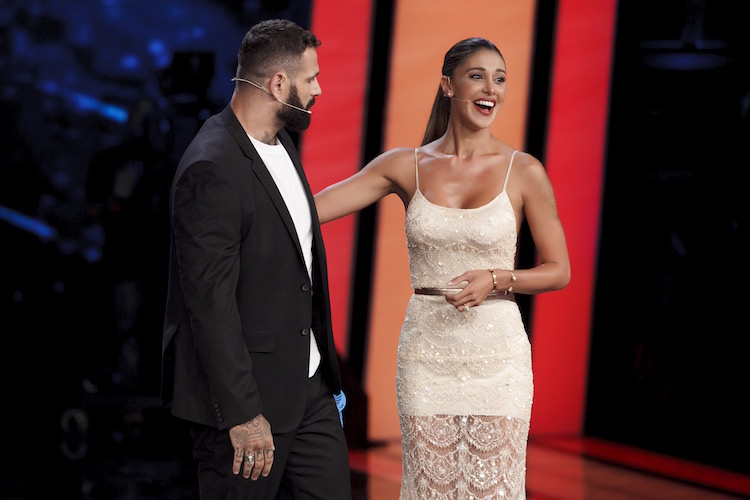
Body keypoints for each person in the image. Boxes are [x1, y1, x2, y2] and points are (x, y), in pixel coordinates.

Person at [314, 37, 570, 499]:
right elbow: (310, 209)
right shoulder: (405, 165)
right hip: (426, 355)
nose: (491, 88)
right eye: (477, 76)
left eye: (500, 78)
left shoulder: (524, 170)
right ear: (448, 85)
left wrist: (498, 278)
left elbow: (559, 270)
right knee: (429, 489)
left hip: (499, 358)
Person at [161, 19, 352, 499]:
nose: (318, 89)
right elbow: (209, 305)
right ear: (278, 84)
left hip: (309, 389)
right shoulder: (212, 166)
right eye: (311, 79)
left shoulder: (279, 142)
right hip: (248, 404)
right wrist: (244, 413)